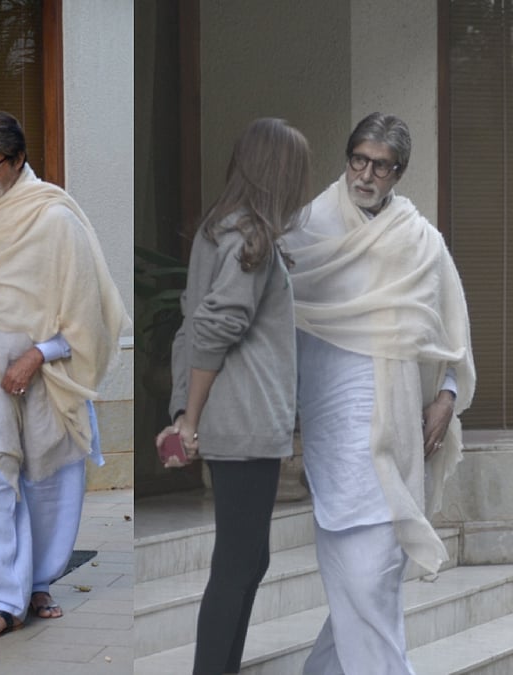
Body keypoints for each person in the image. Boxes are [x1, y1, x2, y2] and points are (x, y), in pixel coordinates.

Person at [284, 113, 474, 675]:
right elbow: (277, 321)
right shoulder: (308, 228)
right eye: (357, 160)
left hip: (400, 430)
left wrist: (445, 394)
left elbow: (449, 327)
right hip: (335, 430)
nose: (365, 174)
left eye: (380, 166)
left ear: (399, 173)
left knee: (375, 578)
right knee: (364, 581)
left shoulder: (420, 239)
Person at [0, 111, 127, 639]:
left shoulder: (54, 215)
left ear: (18, 161)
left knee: (49, 479)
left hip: (47, 367)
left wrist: (39, 354)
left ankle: (39, 581)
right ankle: (5, 600)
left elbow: (85, 313)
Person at [158, 117, 310, 675]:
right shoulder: (252, 240)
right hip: (244, 426)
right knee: (239, 563)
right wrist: (189, 420)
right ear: (279, 172)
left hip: (236, 423)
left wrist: (181, 412)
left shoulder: (216, 232)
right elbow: (214, 326)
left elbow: (189, 326)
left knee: (246, 560)